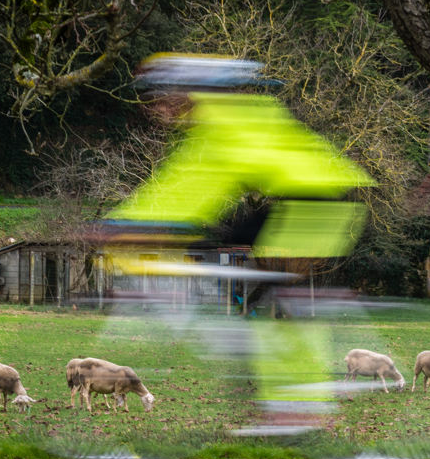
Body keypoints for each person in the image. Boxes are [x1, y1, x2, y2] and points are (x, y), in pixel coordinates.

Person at [104, 53, 374, 435]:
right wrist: (137, 224)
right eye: (152, 102)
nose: (157, 110)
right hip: (299, 201)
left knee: (268, 305)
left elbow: (193, 185)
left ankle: (296, 408)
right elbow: (187, 182)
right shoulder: (226, 115)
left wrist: (134, 225)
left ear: (185, 94)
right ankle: (277, 386)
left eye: (161, 99)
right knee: (231, 260)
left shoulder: (221, 121)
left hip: (312, 205)